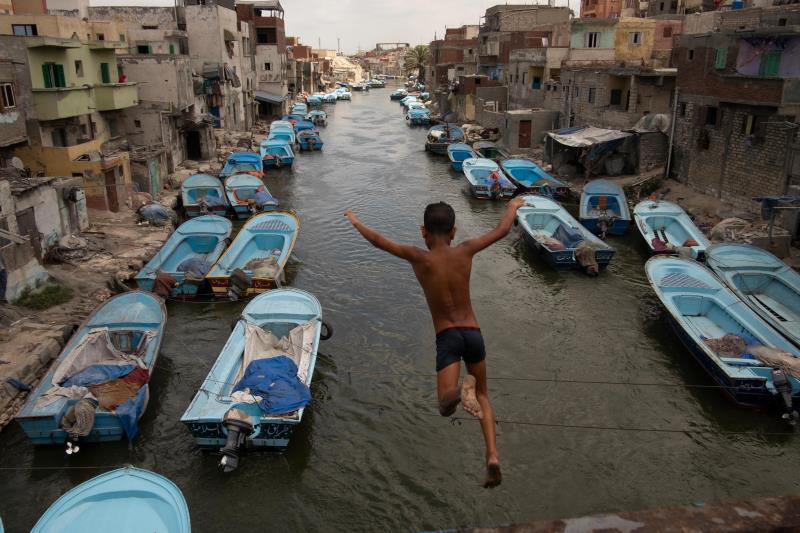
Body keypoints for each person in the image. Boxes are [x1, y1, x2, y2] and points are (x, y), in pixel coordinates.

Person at [344, 197, 525, 488]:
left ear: (423, 231)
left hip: (448, 337)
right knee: (484, 396)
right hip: (473, 333)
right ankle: (492, 455)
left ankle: (459, 392)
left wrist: (355, 221)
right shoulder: (466, 250)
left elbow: (379, 241)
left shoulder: (419, 257)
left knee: (444, 405)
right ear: (454, 232)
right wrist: (512, 207)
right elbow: (501, 231)